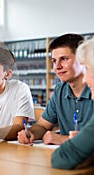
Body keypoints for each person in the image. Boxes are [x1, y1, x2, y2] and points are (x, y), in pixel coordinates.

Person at [17, 33, 94, 145]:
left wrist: (63, 139)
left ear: (82, 59)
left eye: (64, 59)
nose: (57, 66)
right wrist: (30, 133)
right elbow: (43, 125)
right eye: (54, 61)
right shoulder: (59, 91)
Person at [51, 37, 94, 169]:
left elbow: (61, 158)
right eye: (53, 61)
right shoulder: (59, 90)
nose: (85, 80)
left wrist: (66, 140)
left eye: (87, 68)